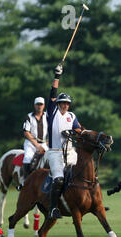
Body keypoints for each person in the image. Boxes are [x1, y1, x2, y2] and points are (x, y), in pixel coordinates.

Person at [45, 63, 82, 219]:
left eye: (67, 103)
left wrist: (77, 132)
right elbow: (53, 93)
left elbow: (79, 129)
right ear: (58, 104)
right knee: (59, 179)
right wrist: (57, 77)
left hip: (70, 152)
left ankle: (89, 202)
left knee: (83, 173)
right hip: (55, 153)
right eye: (62, 103)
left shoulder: (71, 116)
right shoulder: (52, 112)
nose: (65, 105)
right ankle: (53, 208)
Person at [22, 97, 48, 180]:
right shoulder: (29, 116)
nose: (39, 106)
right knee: (28, 158)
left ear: (44, 105)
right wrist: (37, 145)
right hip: (31, 143)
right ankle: (25, 181)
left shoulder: (47, 116)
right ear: (34, 105)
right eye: (37, 104)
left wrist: (47, 142)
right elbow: (26, 132)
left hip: (44, 143)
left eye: (41, 104)